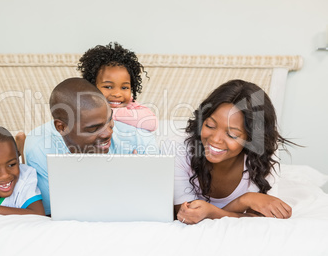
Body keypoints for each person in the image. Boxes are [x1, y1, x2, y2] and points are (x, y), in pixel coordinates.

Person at [164, 79, 295, 224]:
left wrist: (217, 210)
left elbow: (260, 219)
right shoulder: (179, 149)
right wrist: (243, 202)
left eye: (232, 134)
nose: (216, 140)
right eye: (210, 125)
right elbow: (187, 216)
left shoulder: (261, 161)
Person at [25, 78, 158, 215]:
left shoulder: (140, 140)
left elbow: (157, 204)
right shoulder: (39, 147)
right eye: (93, 128)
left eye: (109, 120)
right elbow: (54, 212)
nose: (108, 133)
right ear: (62, 127)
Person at [78, 42, 158, 132]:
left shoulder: (130, 105)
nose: (117, 94)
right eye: (108, 87)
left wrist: (111, 113)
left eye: (124, 88)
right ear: (92, 87)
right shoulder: (86, 106)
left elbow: (151, 122)